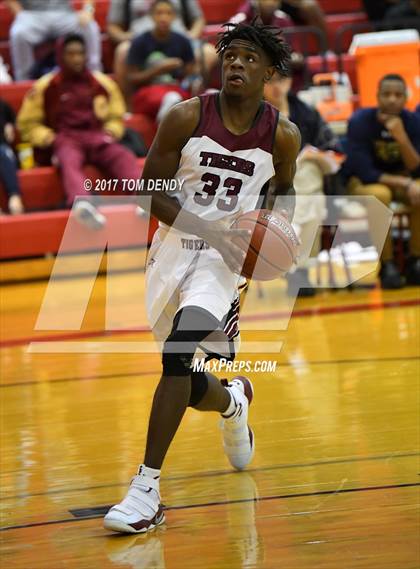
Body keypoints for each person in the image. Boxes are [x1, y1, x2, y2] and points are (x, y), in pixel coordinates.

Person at [103, 20, 300, 533]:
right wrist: (210, 231)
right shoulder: (186, 117)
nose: (237, 64)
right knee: (186, 380)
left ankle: (145, 490)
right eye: (231, 55)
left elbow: (284, 189)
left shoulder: (283, 134)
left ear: (271, 73)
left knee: (177, 353)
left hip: (223, 263)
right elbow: (150, 193)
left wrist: (272, 234)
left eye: (250, 58)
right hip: (172, 249)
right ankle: (233, 401)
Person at [17, 34, 141, 228]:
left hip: (97, 136)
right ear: (60, 55)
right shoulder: (46, 86)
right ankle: (83, 203)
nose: (76, 58)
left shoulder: (102, 83)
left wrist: (111, 132)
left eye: (80, 53)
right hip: (66, 139)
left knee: (123, 155)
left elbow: (117, 115)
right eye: (71, 54)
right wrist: (47, 137)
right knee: (68, 161)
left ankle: (143, 197)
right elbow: (27, 123)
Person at [264, 73, 342, 296]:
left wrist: (316, 156)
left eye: (280, 80)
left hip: (308, 189)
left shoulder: (307, 114)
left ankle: (301, 268)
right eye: (269, 81)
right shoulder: (253, 116)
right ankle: (294, 267)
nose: (276, 86)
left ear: (289, 82)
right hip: (269, 189)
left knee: (309, 173)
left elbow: (336, 153)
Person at [341, 74, 420, 288]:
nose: (392, 99)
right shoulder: (360, 122)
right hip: (364, 183)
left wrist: (401, 137)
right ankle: (387, 265)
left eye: (398, 95)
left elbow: (416, 168)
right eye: (387, 94)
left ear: (406, 98)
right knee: (380, 194)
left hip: (403, 181)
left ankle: (415, 261)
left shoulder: (413, 122)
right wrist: (405, 183)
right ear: (377, 96)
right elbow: (365, 172)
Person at [107, 0, 217, 98]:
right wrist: (126, 37)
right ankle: (128, 108)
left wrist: (191, 36)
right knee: (122, 50)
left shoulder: (183, 40)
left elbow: (198, 19)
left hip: (180, 40)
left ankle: (194, 100)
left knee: (209, 52)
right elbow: (113, 26)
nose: (163, 18)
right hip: (139, 42)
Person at [126, 0, 196, 121]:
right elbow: (132, 78)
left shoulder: (183, 41)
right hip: (148, 92)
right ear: (151, 16)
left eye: (168, 13)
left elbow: (191, 74)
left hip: (175, 88)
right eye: (159, 13)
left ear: (174, 16)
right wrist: (159, 69)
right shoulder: (139, 42)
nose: (163, 17)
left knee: (179, 98)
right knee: (173, 99)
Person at [6, 0, 102, 81]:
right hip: (31, 14)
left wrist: (88, 10)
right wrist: (19, 14)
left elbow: (88, 9)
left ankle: (95, 75)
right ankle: (24, 81)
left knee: (90, 26)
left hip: (65, 14)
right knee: (18, 33)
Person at [0, 99, 24, 215]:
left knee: (4, 153)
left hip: (2, 147)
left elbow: (17, 122)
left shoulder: (3, 105)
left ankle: (15, 197)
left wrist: (10, 125)